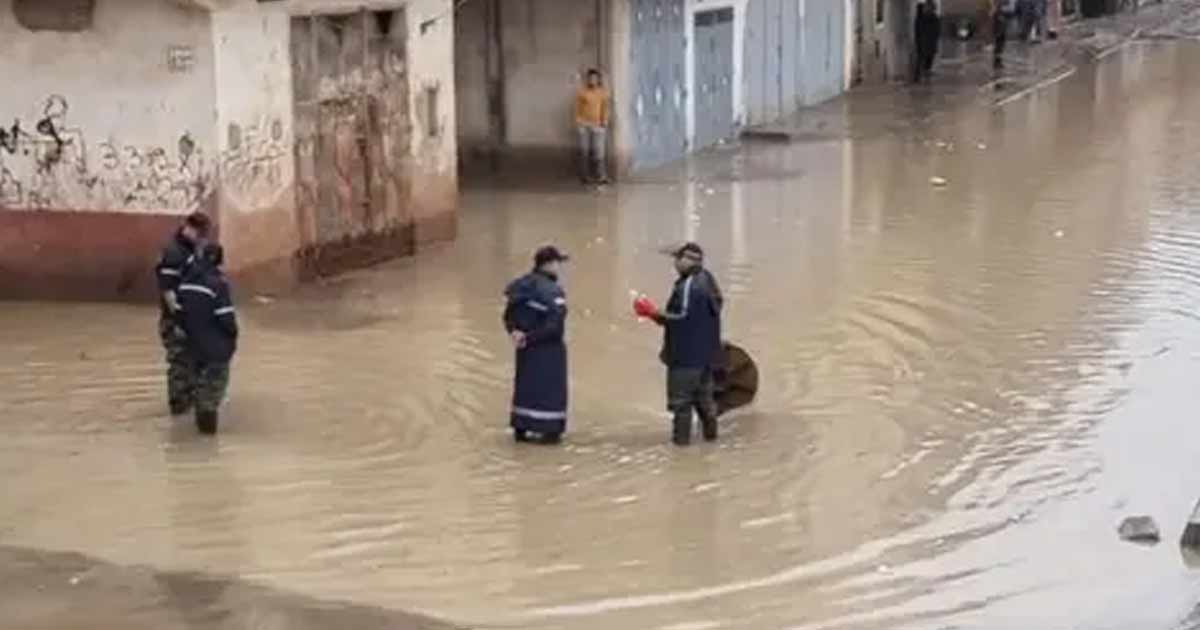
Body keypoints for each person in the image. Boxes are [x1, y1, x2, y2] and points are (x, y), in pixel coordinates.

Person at [638, 243, 724, 446]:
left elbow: (683, 318)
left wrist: (654, 313)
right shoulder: (708, 280)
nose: (675, 264)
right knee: (705, 402)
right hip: (706, 356)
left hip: (686, 357)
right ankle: (711, 441)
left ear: (689, 260)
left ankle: (681, 449)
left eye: (678, 259)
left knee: (681, 404)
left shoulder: (689, 286)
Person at [504, 246, 570, 444]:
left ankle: (521, 428)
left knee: (525, 388)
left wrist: (516, 333)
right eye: (558, 263)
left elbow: (508, 315)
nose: (559, 268)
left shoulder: (519, 285)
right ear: (549, 264)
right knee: (549, 392)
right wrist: (531, 337)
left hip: (524, 349)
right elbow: (555, 326)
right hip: (547, 350)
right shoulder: (553, 291)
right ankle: (549, 431)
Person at [177, 243, 238, 435]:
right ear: (220, 261)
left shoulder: (185, 282)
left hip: (193, 348)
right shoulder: (218, 284)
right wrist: (232, 337)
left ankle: (199, 443)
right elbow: (227, 320)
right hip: (216, 350)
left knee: (199, 393)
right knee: (210, 398)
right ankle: (208, 444)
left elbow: (178, 314)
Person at [155, 211, 211, 415]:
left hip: (193, 319)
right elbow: (168, 291)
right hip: (177, 320)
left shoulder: (191, 251)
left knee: (194, 363)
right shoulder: (174, 252)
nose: (201, 238)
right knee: (179, 363)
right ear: (188, 228)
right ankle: (179, 408)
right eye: (199, 233)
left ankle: (189, 408)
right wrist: (179, 319)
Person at [575, 68, 610, 185]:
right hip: (584, 125)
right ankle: (584, 177)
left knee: (599, 151)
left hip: (598, 125)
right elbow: (577, 108)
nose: (592, 80)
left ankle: (601, 176)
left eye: (594, 78)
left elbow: (605, 108)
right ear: (587, 79)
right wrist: (579, 122)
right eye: (590, 78)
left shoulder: (602, 92)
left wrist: (604, 121)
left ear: (598, 80)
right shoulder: (582, 92)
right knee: (584, 151)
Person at [914, 2, 942, 83]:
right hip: (923, 42)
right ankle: (918, 76)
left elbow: (937, 31)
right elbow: (917, 31)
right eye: (926, 7)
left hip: (929, 42)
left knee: (928, 59)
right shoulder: (921, 18)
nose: (927, 9)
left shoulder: (934, 18)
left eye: (929, 8)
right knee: (921, 59)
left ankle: (925, 74)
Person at [993, 0, 1016, 71]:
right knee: (999, 40)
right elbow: (999, 7)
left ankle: (998, 60)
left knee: (1001, 41)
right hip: (1001, 18)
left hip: (1003, 17)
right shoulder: (1000, 6)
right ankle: (997, 61)